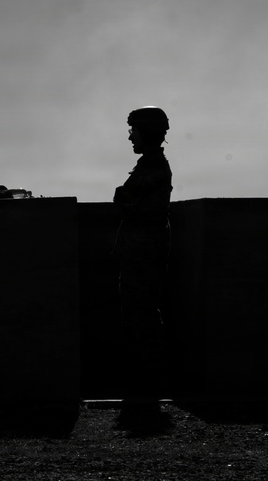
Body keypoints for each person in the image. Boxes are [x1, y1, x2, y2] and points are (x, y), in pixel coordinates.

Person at [112, 106, 172, 418]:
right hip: (140, 254)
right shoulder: (151, 165)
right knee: (140, 315)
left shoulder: (152, 166)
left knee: (142, 317)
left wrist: (123, 199)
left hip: (143, 256)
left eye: (133, 129)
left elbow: (126, 201)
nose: (129, 135)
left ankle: (147, 382)